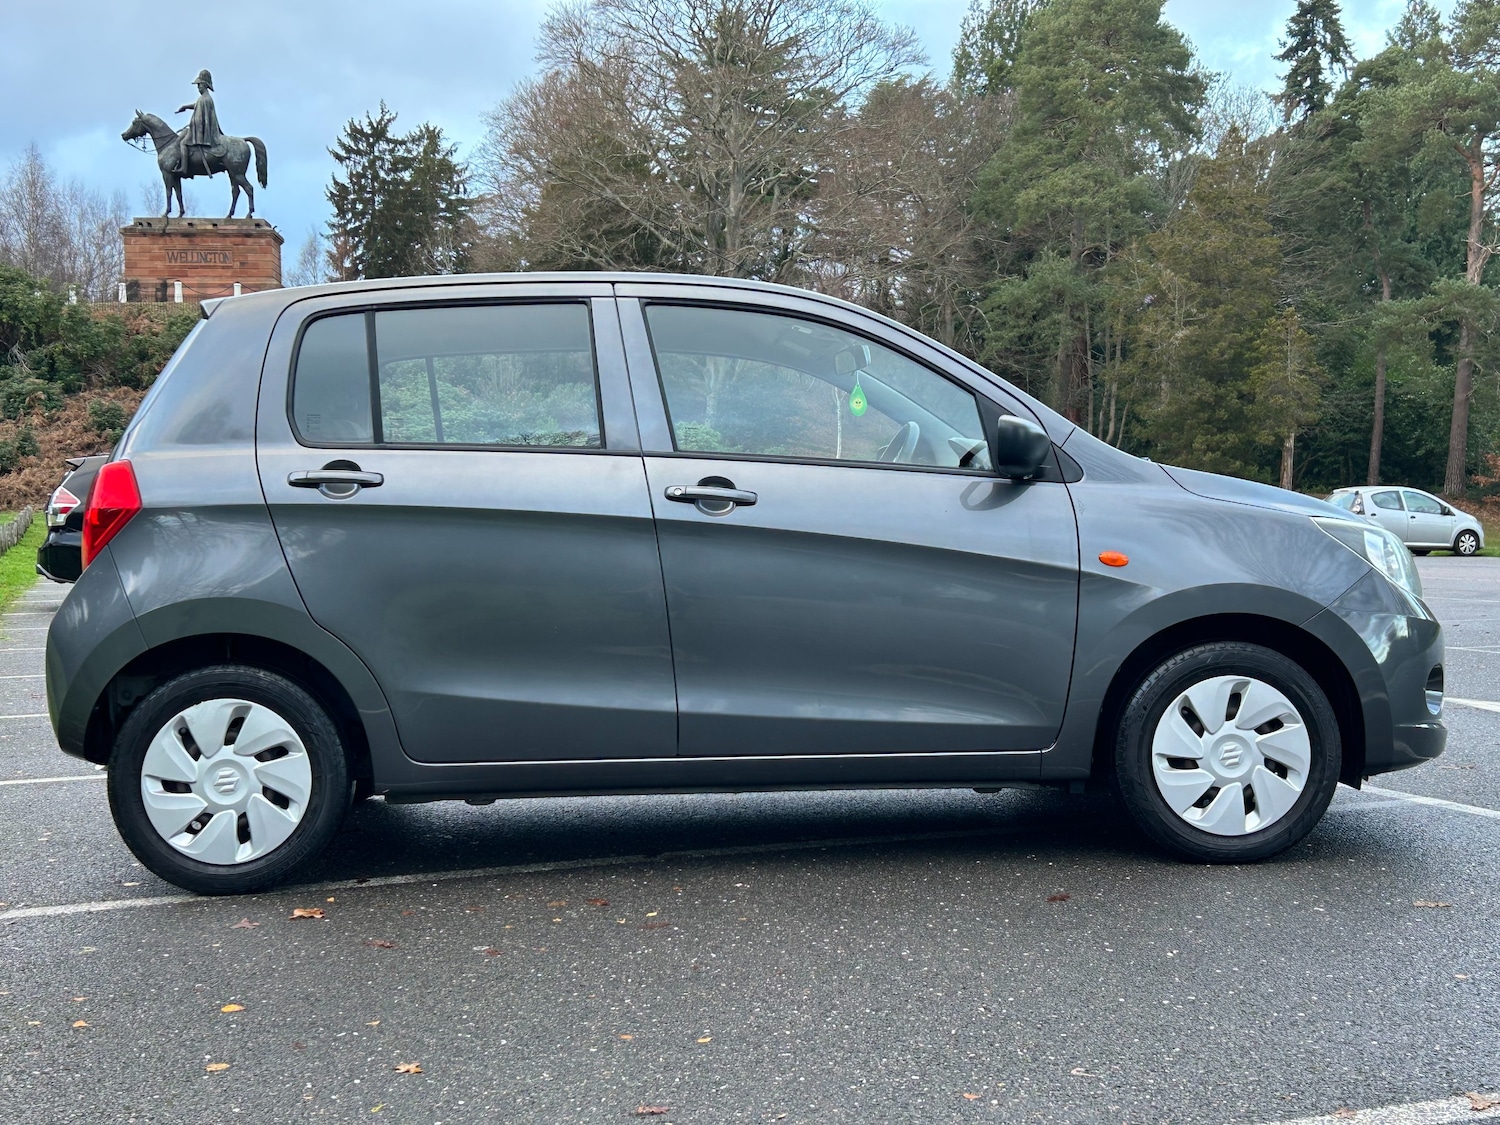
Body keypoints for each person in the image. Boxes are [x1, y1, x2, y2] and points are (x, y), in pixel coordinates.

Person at [174, 69, 222, 177]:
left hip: (201, 131)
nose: (198, 87)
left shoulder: (204, 99)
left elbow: (200, 119)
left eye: (199, 84)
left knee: (182, 143)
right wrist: (185, 107)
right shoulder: (204, 99)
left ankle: (184, 168)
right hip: (199, 128)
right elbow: (196, 105)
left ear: (205, 85)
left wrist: (192, 126)